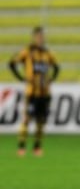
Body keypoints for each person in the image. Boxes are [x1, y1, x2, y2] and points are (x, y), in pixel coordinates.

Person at [9, 26, 60, 157]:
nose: (40, 39)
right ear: (34, 38)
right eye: (38, 36)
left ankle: (37, 147)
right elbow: (11, 63)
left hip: (45, 93)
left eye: (42, 37)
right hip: (31, 93)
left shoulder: (47, 53)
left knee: (40, 121)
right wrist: (21, 78)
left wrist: (52, 79)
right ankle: (21, 146)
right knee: (27, 119)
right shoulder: (27, 52)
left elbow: (57, 67)